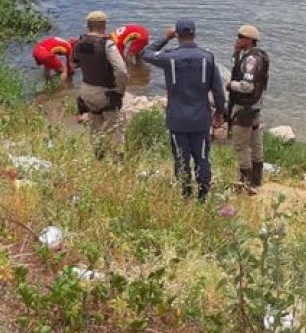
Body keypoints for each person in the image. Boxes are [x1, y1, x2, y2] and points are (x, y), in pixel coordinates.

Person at [142, 18, 227, 201]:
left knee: (181, 158)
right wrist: (220, 113)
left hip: (177, 119)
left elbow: (146, 53)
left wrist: (165, 38)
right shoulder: (207, 58)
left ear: (177, 35)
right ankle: (203, 196)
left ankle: (185, 195)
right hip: (201, 119)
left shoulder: (169, 57)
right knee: (202, 157)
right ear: (195, 34)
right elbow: (218, 91)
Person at [71, 11, 127, 160]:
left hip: (85, 91)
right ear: (104, 25)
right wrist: (119, 91)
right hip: (104, 92)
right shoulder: (107, 45)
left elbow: (74, 64)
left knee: (95, 126)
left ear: (88, 26)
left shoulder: (79, 43)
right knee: (116, 129)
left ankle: (99, 158)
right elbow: (121, 71)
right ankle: (118, 164)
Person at [227, 24, 270, 194]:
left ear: (249, 40)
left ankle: (245, 182)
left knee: (241, 145)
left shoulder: (251, 60)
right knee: (255, 142)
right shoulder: (257, 57)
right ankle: (257, 180)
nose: (237, 39)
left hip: (244, 108)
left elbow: (247, 86)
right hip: (255, 107)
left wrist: (231, 85)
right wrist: (236, 53)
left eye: (240, 37)